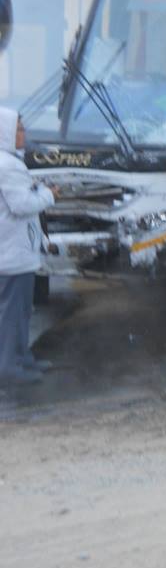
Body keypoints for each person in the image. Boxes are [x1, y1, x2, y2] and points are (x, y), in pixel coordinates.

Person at [0, 108, 57, 385]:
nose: (24, 134)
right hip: (12, 255)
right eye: (19, 129)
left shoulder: (10, 163)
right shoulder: (7, 165)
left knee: (21, 311)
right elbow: (22, 206)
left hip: (14, 251)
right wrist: (48, 194)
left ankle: (21, 357)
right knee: (13, 313)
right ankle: (10, 367)